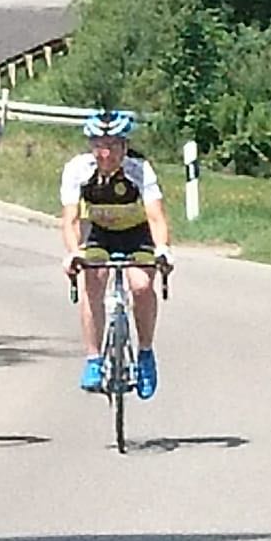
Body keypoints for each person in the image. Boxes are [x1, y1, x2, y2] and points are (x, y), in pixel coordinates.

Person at [59, 109, 175, 399]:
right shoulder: (77, 170)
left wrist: (162, 250)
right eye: (98, 144)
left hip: (137, 234)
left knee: (141, 286)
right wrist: (73, 253)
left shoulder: (140, 170)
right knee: (93, 280)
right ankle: (94, 359)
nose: (105, 152)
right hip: (99, 233)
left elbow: (157, 217)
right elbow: (71, 220)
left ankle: (145, 354)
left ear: (124, 146)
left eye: (112, 145)